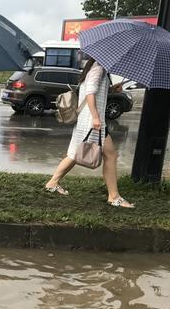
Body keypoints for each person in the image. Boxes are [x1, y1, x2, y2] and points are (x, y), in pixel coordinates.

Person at [45, 58, 134, 208]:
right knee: (110, 155)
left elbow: (95, 91)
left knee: (74, 153)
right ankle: (114, 197)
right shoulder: (98, 68)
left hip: (87, 121)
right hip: (92, 122)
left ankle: (52, 182)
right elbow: (90, 93)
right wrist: (95, 117)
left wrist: (112, 89)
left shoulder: (96, 67)